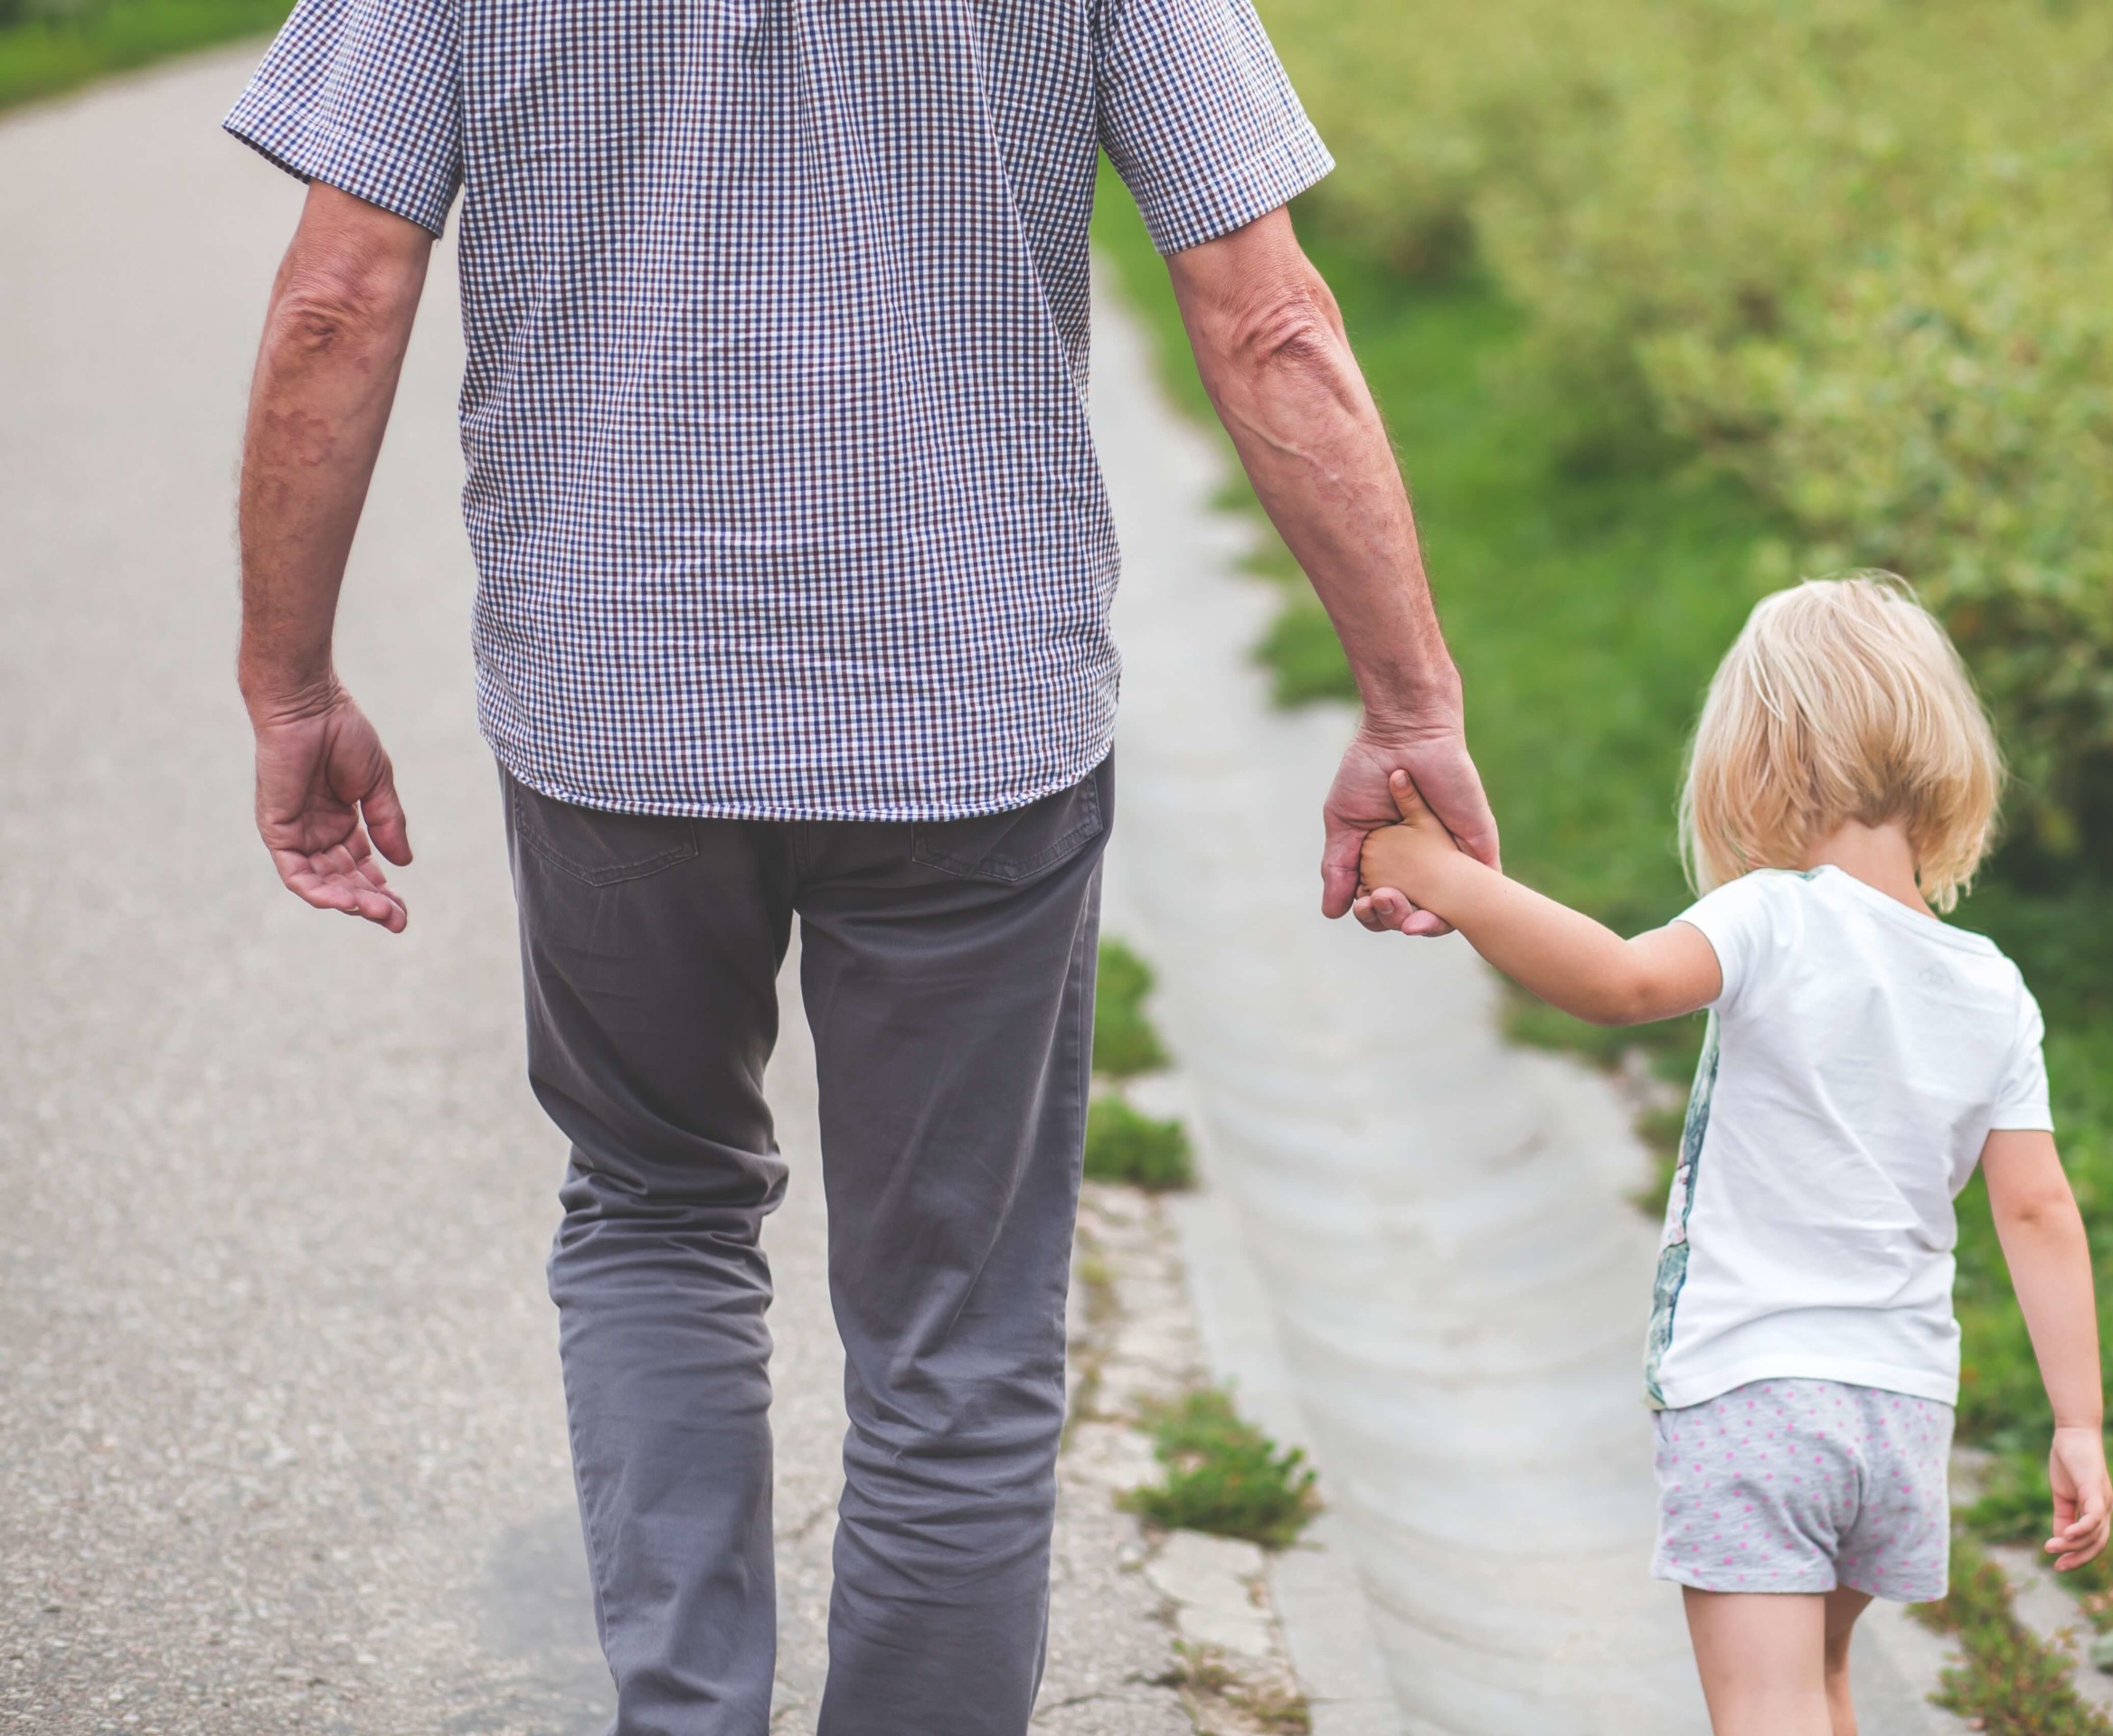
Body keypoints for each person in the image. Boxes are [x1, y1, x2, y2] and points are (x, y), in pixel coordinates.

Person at [222, 0, 1495, 1728]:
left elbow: (334, 296)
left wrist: (289, 681)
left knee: (656, 1215)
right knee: (954, 1339)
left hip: (620, 710)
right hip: (970, 716)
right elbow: (1267, 316)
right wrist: (1409, 695)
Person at [1357, 573, 2113, 1736]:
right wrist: (2080, 1426)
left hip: (1758, 1394)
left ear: (1757, 762)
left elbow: (1619, 981)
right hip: (1902, 1412)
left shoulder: (1774, 914)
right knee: (1821, 1687)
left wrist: (1449, 877)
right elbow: (2039, 1214)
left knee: (1766, 1709)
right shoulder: (1992, 988)